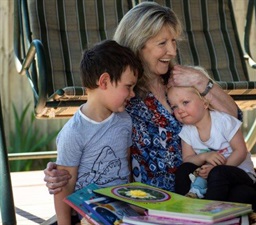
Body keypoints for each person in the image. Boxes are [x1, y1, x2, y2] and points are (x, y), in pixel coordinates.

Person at [44, 1, 240, 194]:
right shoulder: (122, 95)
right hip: (149, 201)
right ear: (137, 45)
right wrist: (62, 169)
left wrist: (202, 82)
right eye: (162, 43)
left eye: (173, 42)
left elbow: (234, 121)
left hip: (206, 189)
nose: (172, 52)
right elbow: (91, 134)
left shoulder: (183, 83)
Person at [53, 40, 143, 224]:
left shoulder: (125, 120)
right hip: (90, 209)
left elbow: (125, 165)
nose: (132, 94)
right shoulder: (74, 132)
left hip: (123, 202)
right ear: (104, 81)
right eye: (128, 86)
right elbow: (64, 184)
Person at [167, 80, 256, 208]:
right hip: (209, 178)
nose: (180, 110)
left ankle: (208, 212)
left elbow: (241, 151)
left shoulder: (223, 121)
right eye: (174, 107)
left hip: (239, 172)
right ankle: (185, 206)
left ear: (204, 103)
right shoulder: (187, 130)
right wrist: (205, 157)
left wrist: (216, 169)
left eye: (185, 102)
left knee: (220, 174)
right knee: (183, 170)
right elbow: (187, 159)